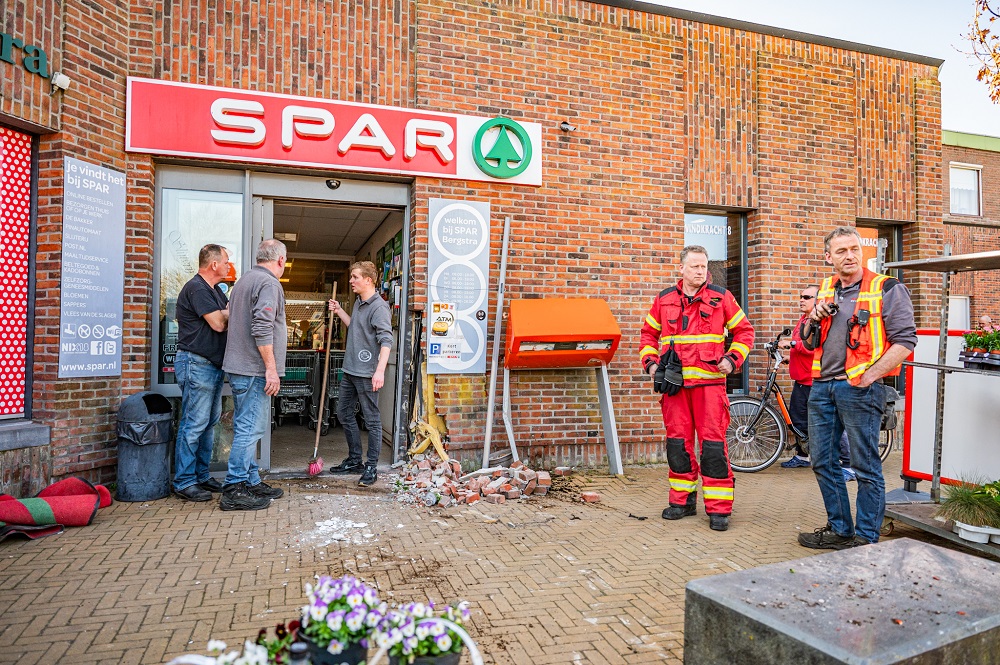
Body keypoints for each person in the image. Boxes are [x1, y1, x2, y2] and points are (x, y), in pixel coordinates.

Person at [798, 226, 916, 549]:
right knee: (822, 461)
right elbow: (808, 342)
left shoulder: (887, 287)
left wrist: (870, 376)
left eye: (854, 249)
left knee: (865, 466)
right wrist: (814, 318)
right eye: (841, 251)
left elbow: (906, 342)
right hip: (823, 387)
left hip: (860, 389)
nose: (850, 256)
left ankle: (865, 539)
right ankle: (840, 530)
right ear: (828, 257)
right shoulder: (826, 289)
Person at [640, 245, 755, 532]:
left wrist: (733, 358)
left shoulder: (721, 297)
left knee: (713, 447)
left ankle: (719, 509)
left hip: (710, 387)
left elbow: (745, 331)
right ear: (681, 268)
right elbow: (648, 335)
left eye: (704, 266)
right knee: (678, 446)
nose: (700, 271)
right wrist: (651, 365)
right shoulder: (664, 299)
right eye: (694, 266)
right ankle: (682, 502)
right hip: (674, 387)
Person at [219, 239, 289, 511]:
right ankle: (234, 488)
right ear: (280, 260)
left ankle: (250, 480)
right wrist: (271, 368)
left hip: (241, 367)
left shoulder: (244, 281)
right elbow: (262, 326)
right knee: (250, 429)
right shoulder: (269, 283)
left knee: (246, 427)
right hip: (254, 369)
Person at [172, 244, 231, 502]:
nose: (228, 266)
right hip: (196, 364)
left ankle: (201, 475)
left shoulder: (215, 290)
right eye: (226, 261)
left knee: (208, 424)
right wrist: (230, 311)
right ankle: (184, 481)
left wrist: (227, 311)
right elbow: (218, 323)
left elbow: (226, 315)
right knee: (194, 423)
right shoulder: (197, 288)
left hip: (211, 365)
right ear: (214, 264)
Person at [328, 261, 393, 487]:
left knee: (372, 421)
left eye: (355, 277)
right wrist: (339, 311)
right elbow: (355, 326)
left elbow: (386, 341)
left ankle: (371, 467)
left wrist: (379, 371)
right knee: (344, 413)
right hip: (350, 370)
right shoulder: (359, 302)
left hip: (367, 373)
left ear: (368, 280)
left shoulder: (379, 307)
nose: (351, 281)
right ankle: (355, 460)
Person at [777, 285, 818, 469]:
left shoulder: (817, 322)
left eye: (807, 297)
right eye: (801, 296)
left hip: (813, 381)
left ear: (817, 301)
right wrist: (790, 357)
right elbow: (801, 346)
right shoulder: (803, 320)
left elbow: (812, 348)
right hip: (801, 380)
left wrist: (791, 344)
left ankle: (846, 462)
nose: (802, 300)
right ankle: (803, 456)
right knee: (798, 419)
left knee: (819, 422)